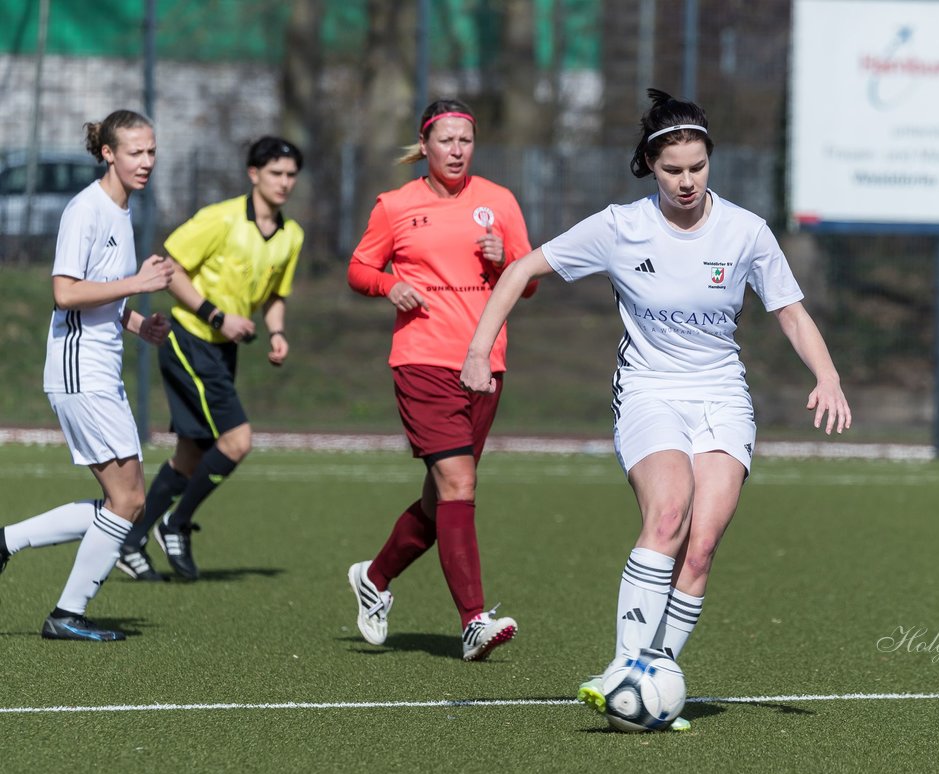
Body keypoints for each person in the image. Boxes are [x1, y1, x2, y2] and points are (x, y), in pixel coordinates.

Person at [460, 89, 851, 729]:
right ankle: (623, 670)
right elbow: (519, 271)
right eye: (673, 170)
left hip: (721, 393)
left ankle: (654, 680)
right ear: (650, 165)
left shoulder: (746, 230)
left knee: (701, 547)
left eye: (697, 167)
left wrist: (827, 375)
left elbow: (789, 311)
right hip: (648, 390)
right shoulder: (619, 227)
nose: (687, 181)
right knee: (669, 514)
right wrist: (480, 350)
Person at [345, 99, 537, 661]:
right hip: (422, 361)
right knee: (459, 485)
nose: (457, 151)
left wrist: (506, 260)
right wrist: (388, 287)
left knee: (441, 500)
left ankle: (375, 578)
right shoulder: (396, 204)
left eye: (466, 141)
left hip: (485, 365)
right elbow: (359, 268)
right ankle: (474, 620)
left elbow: (529, 283)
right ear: (424, 146)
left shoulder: (498, 202)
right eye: (447, 141)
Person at [0, 110, 173, 640]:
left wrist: (138, 323)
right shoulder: (87, 210)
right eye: (135, 152)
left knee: (124, 501)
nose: (145, 161)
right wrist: (138, 283)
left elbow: (99, 293)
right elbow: (66, 292)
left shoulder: (121, 212)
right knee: (129, 501)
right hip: (80, 369)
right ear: (108, 154)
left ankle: (5, 544)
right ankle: (66, 615)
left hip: (99, 366)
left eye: (150, 151)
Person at [114, 136, 305, 582]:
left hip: (223, 349)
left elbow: (276, 293)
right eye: (275, 173)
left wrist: (277, 331)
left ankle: (130, 539)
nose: (284, 182)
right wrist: (217, 316)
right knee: (237, 440)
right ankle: (174, 524)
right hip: (190, 338)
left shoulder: (290, 235)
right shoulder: (219, 219)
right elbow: (167, 267)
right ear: (253, 174)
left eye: (291, 174)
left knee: (191, 454)